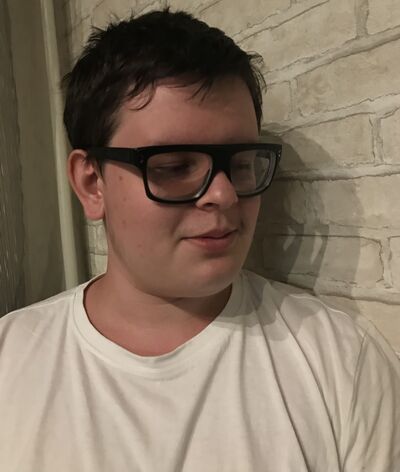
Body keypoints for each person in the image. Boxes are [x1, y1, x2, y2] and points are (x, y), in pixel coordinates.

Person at [0, 8, 399, 472]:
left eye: (242, 162)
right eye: (173, 167)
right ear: (92, 184)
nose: (224, 195)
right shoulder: (12, 360)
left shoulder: (342, 361)